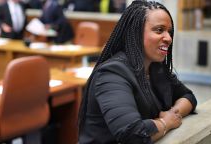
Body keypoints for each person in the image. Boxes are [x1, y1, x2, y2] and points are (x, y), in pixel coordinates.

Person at [78, 0, 197, 144]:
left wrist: (174, 113)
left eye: (169, 32)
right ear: (136, 32)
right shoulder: (112, 73)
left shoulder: (156, 68)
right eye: (159, 30)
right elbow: (132, 134)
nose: (169, 38)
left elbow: (188, 97)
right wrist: (166, 123)